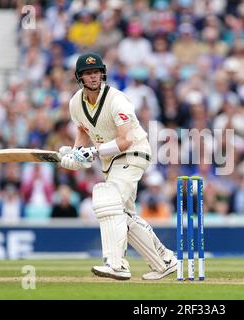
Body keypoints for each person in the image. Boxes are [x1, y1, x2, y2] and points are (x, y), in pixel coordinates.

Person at [59, 52, 176, 280]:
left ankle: (117, 264)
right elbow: (83, 131)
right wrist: (75, 154)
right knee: (124, 214)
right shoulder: (75, 103)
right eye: (87, 74)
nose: (93, 77)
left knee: (107, 200)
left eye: (96, 72)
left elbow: (125, 140)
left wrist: (93, 152)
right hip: (110, 162)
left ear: (102, 74)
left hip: (134, 153)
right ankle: (165, 262)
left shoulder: (117, 100)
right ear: (80, 78)